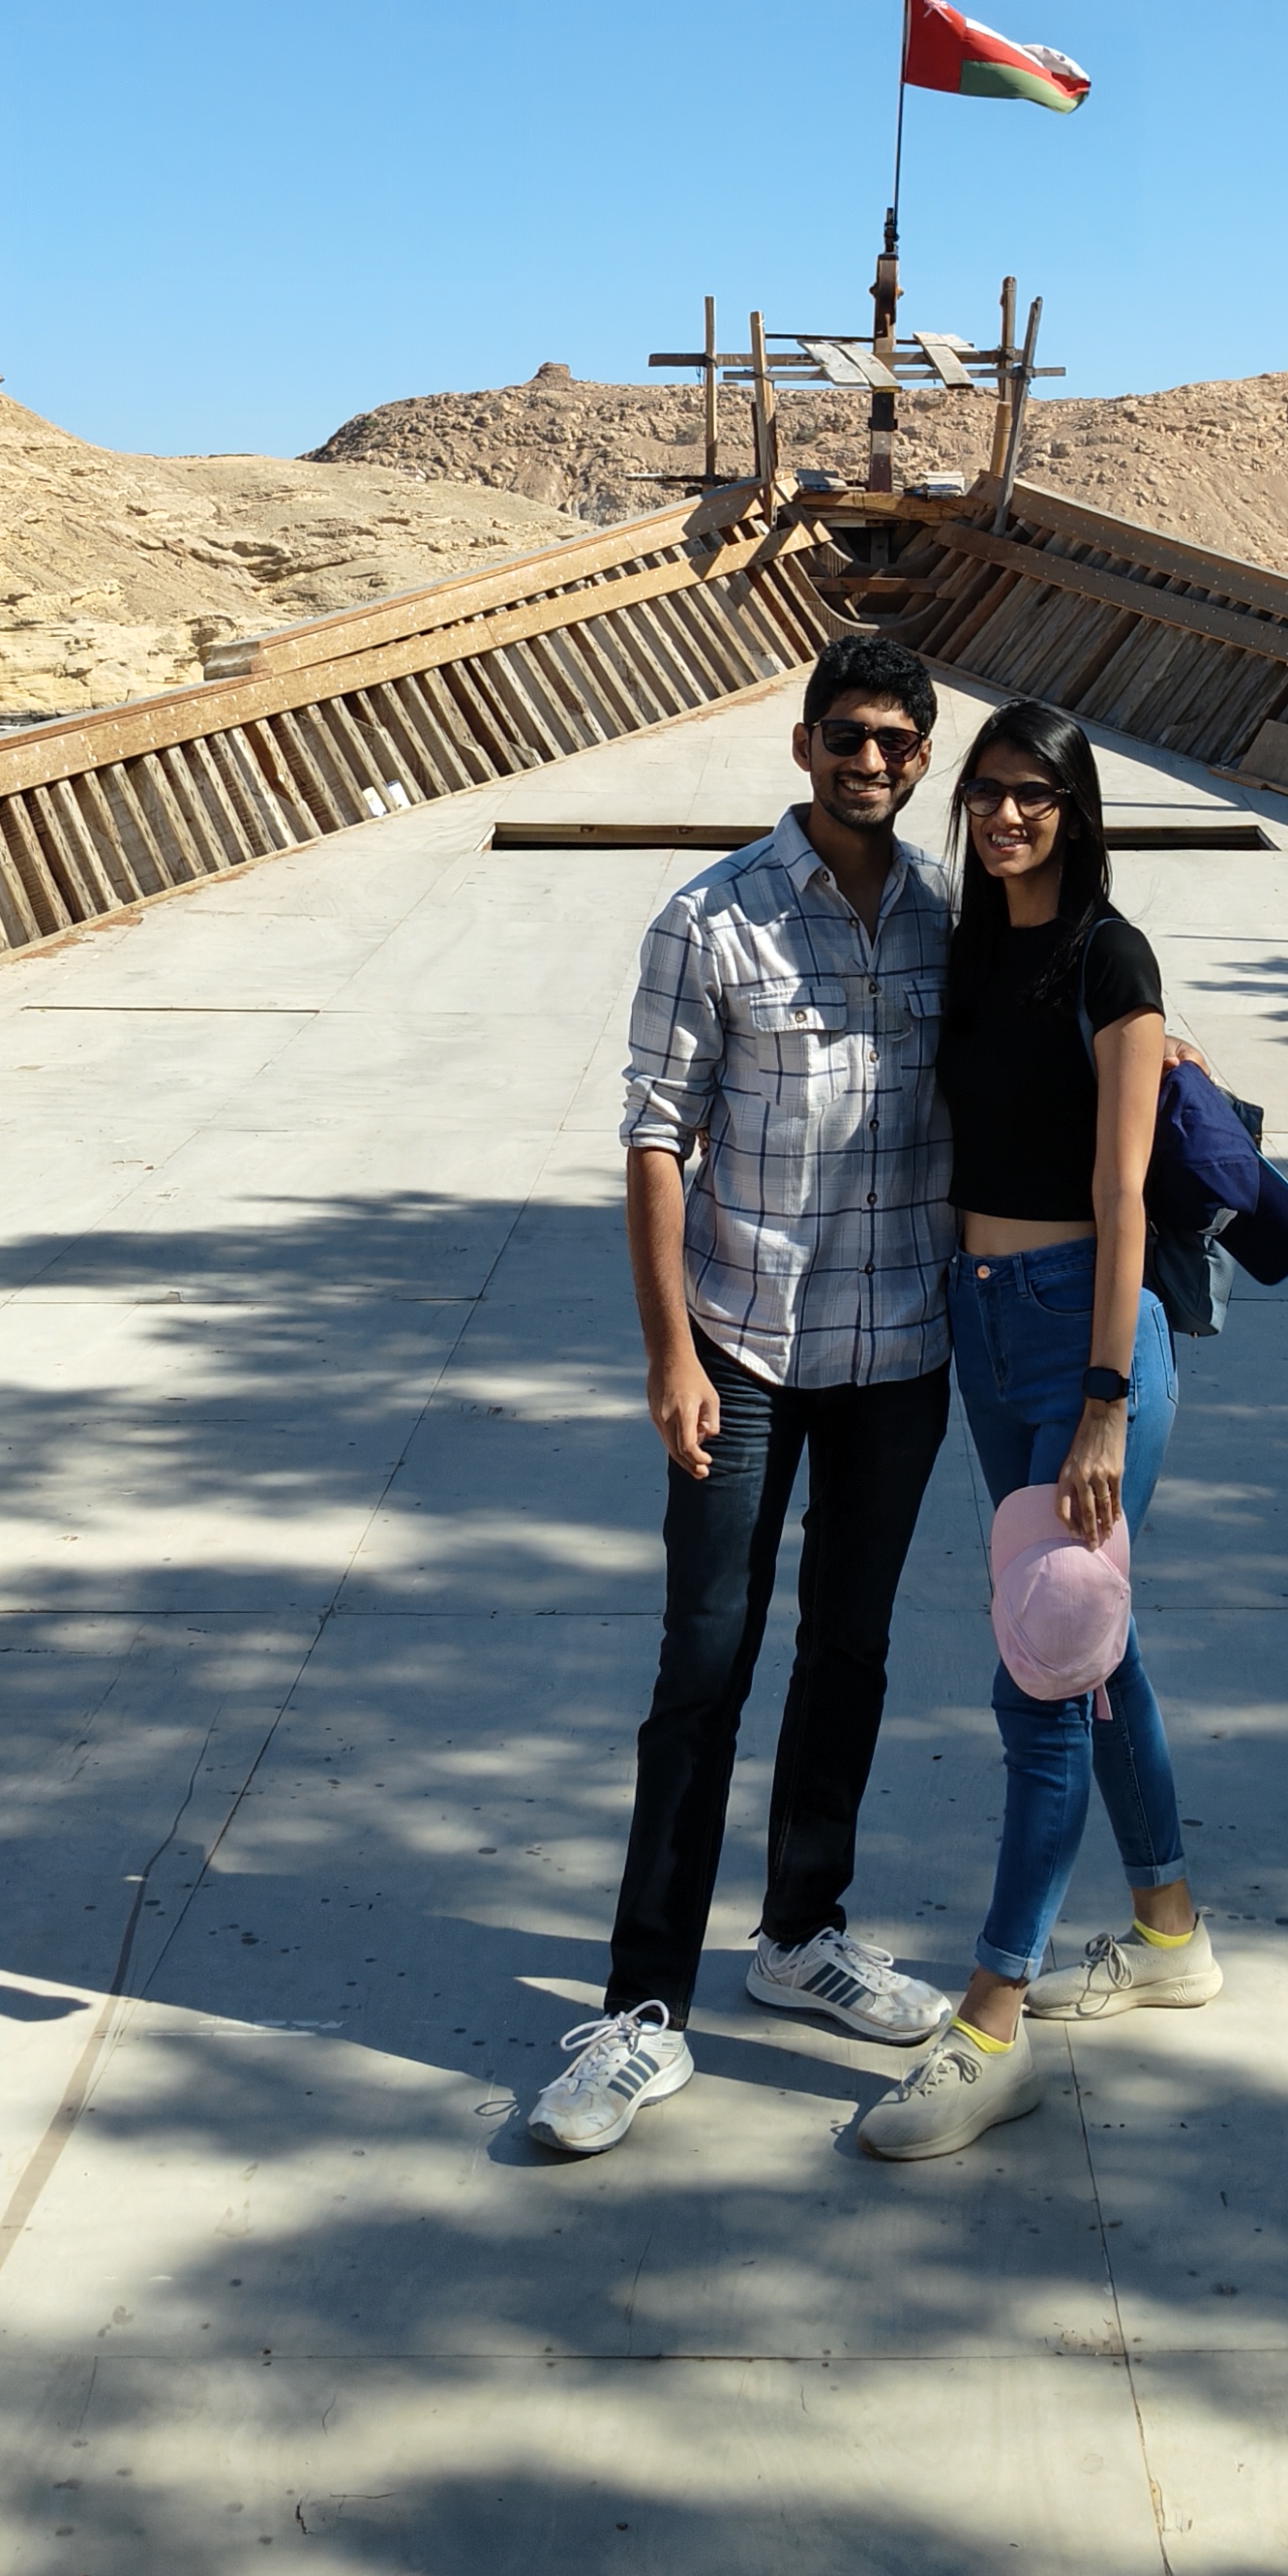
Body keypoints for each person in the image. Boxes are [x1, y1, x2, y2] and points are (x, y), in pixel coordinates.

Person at [526, 631, 957, 2158]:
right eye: (849, 735)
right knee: (702, 1669)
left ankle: (802, 1936)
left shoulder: (940, 920)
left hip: (901, 1353)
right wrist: (667, 1354)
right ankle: (644, 2009)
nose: (872, 762)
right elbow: (655, 1138)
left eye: (899, 742)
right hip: (747, 1355)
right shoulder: (709, 919)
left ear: (923, 758)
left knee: (850, 1653)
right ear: (802, 745)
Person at [858, 697, 1219, 2162]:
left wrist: (1105, 1408)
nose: (1007, 815)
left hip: (1084, 1336)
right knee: (1089, 1646)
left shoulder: (1108, 956)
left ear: (1078, 809)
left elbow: (1127, 1198)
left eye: (1036, 796)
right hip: (984, 1321)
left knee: (1040, 1675)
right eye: (990, 793)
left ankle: (991, 2019)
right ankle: (1170, 1931)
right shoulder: (968, 942)